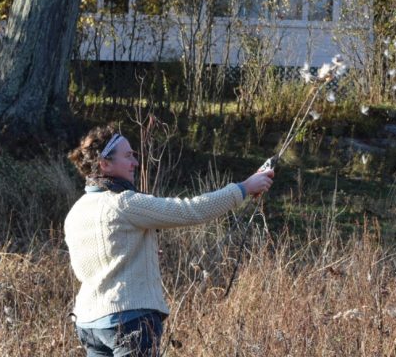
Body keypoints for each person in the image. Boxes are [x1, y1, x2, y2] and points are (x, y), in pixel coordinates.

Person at [64, 124, 274, 356]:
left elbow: (94, 263)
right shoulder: (123, 202)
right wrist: (243, 188)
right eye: (128, 156)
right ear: (105, 164)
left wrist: (142, 254)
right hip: (128, 321)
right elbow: (191, 210)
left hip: (88, 324)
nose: (135, 162)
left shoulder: (76, 211)